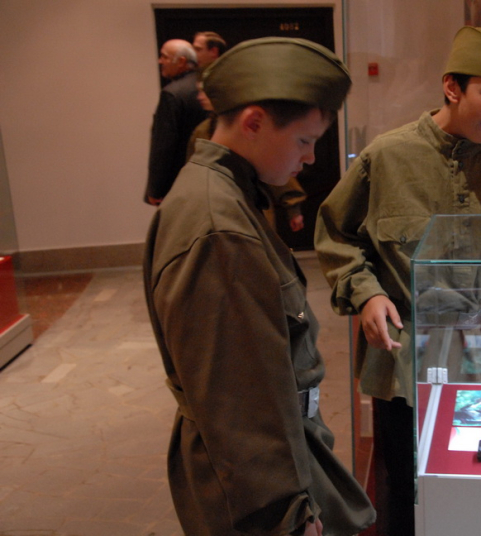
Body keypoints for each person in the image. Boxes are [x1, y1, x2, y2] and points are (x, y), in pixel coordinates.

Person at [314, 26, 481, 535]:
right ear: (452, 87)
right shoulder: (387, 156)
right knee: (405, 487)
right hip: (404, 359)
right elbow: (335, 235)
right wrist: (367, 293)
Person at [143, 37, 375, 536]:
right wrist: (287, 514)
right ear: (253, 122)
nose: (310, 158)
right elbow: (237, 401)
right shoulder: (219, 228)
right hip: (258, 491)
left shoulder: (227, 192)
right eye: (304, 141)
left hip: (278, 458)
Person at [187, 74, 308, 232]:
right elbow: (193, 172)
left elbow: (273, 163)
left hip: (251, 207)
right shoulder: (202, 131)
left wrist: (293, 207)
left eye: (205, 91)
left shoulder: (251, 128)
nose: (200, 97)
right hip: (215, 210)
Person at [144, 39, 207, 205]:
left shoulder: (172, 94)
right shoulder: (208, 86)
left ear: (181, 61)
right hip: (206, 177)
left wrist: (155, 188)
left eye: (164, 57)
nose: (160, 61)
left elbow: (164, 144)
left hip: (178, 182)